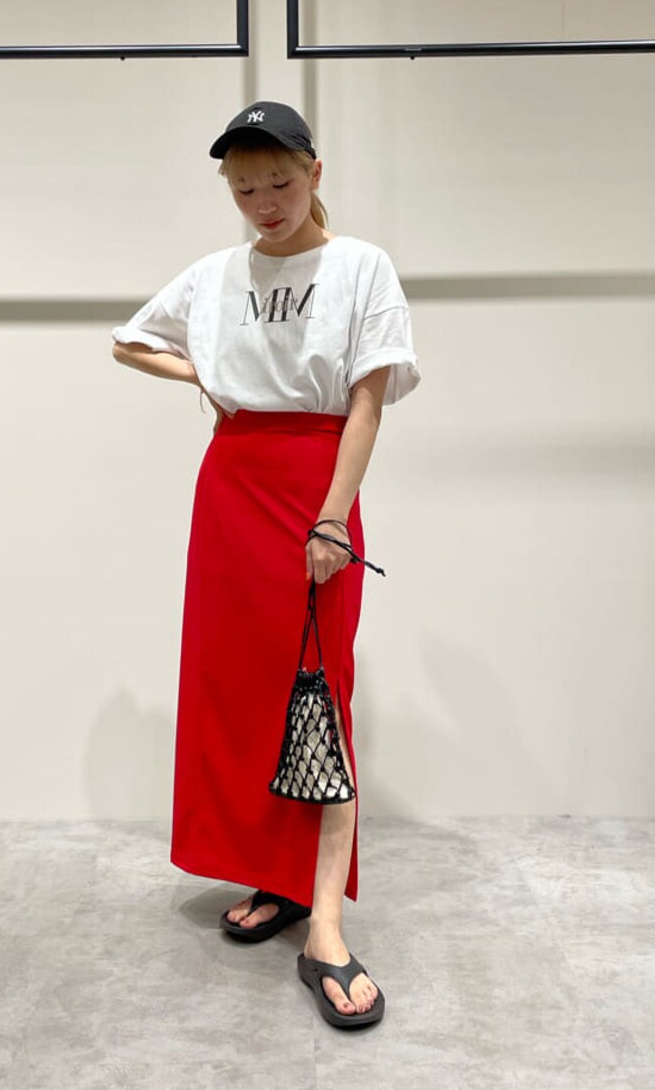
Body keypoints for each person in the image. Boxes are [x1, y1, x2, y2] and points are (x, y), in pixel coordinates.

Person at [111, 101, 421, 1028]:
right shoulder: (217, 275)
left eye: (279, 182)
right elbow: (129, 340)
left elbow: (367, 404)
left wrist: (331, 519)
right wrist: (205, 375)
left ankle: (324, 924)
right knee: (245, 693)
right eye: (244, 190)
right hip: (232, 488)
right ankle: (277, 881)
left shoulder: (361, 267)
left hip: (315, 486)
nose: (264, 204)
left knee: (322, 696)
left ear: (315, 172)